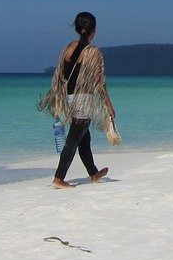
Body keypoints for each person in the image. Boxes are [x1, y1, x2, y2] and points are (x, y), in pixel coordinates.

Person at [37, 11, 116, 188]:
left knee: (83, 137)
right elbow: (99, 83)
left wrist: (58, 99)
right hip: (84, 100)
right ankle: (59, 178)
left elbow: (60, 76)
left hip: (70, 99)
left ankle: (93, 173)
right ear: (93, 30)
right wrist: (109, 106)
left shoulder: (68, 48)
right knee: (73, 139)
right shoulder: (93, 53)